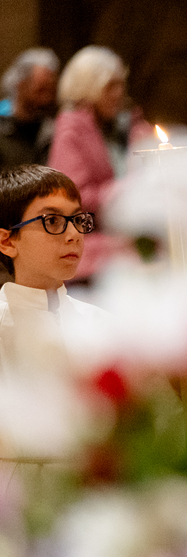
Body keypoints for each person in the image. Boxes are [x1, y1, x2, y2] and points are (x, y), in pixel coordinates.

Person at [47, 46, 150, 281]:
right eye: (110, 86)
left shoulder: (123, 125)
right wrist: (123, 191)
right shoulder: (71, 128)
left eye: (121, 85)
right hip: (92, 248)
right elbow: (71, 198)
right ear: (88, 88)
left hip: (126, 237)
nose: (119, 93)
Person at [0, 164, 102, 377]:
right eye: (52, 221)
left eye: (78, 219)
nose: (74, 234)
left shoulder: (103, 324)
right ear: (7, 241)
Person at [0, 48, 59, 169]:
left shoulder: (52, 131)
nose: (46, 99)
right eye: (40, 90)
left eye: (51, 91)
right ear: (20, 84)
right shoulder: (3, 131)